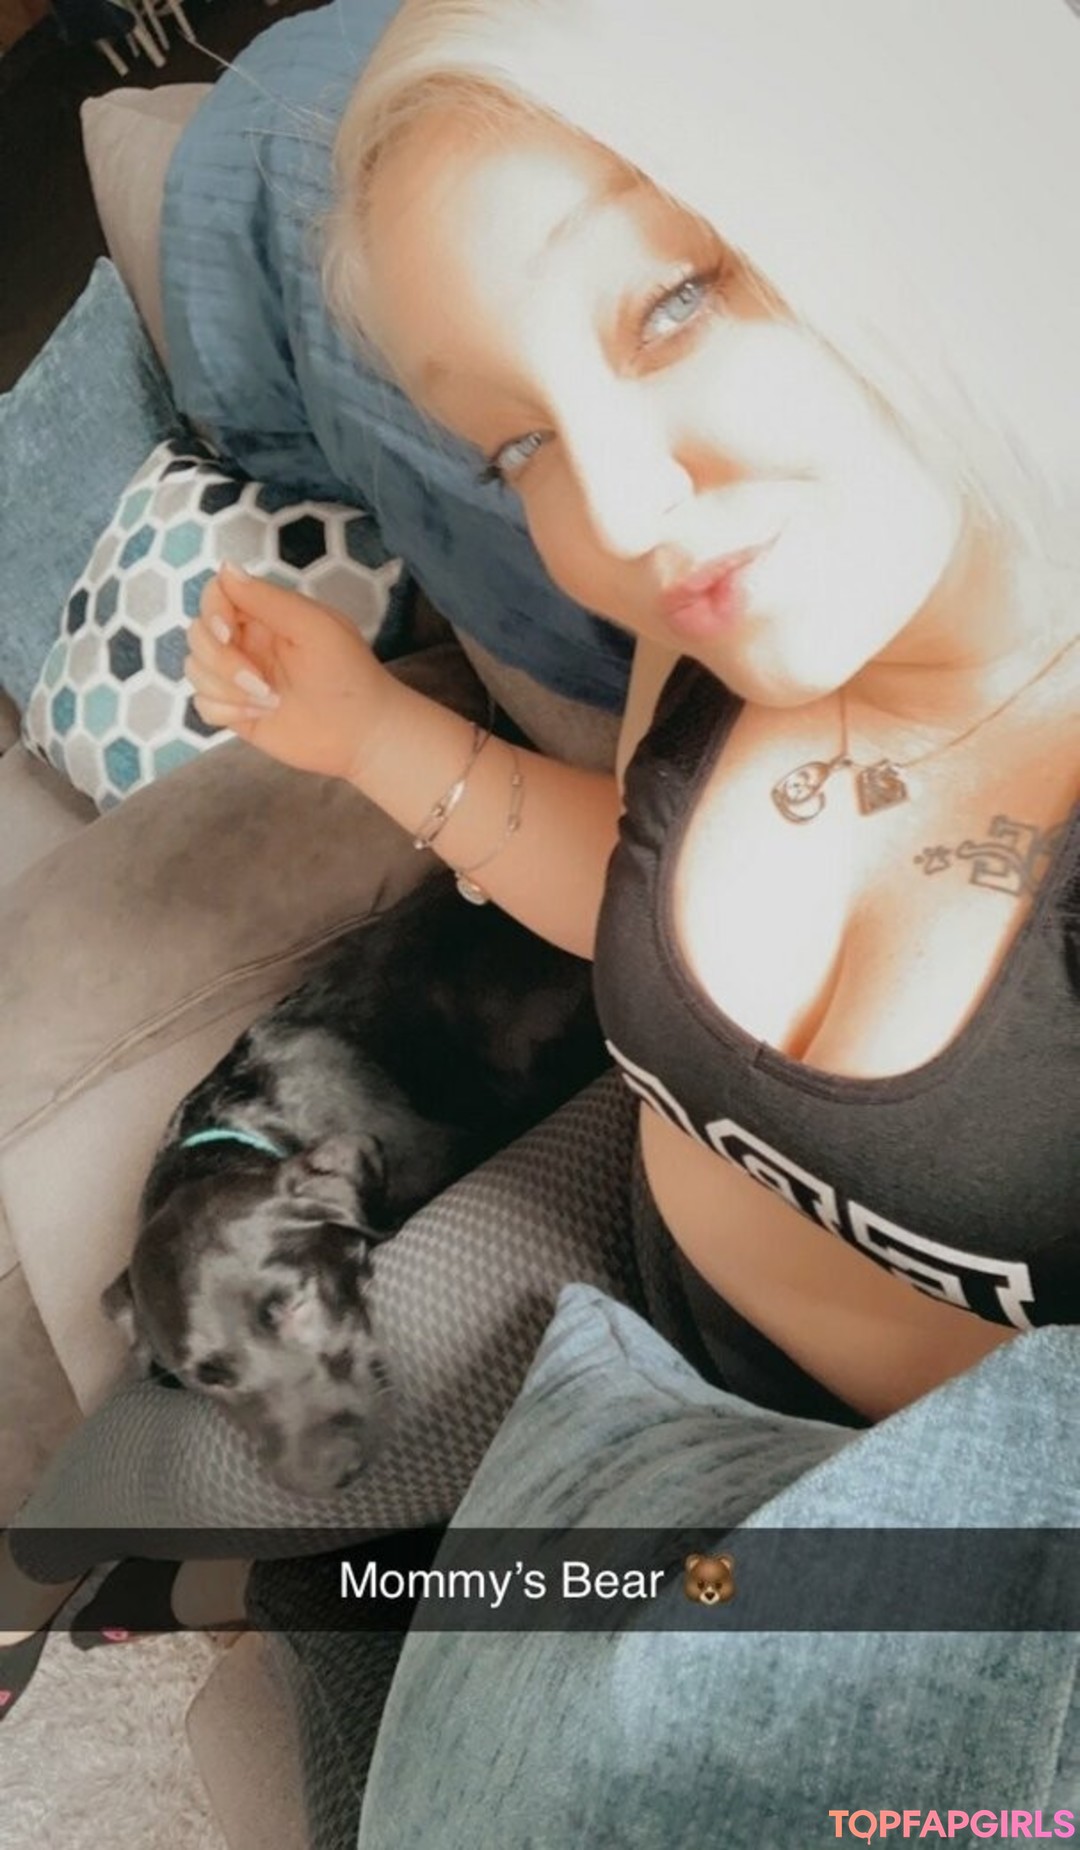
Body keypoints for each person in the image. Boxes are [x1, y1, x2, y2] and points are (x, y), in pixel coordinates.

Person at [3, 0, 1077, 1759]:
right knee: (170, 1479)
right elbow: (637, 890)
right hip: (629, 1300)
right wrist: (365, 730)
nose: (620, 517)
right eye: (517, 445)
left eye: (674, 302)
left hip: (876, 1554)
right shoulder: (717, 632)